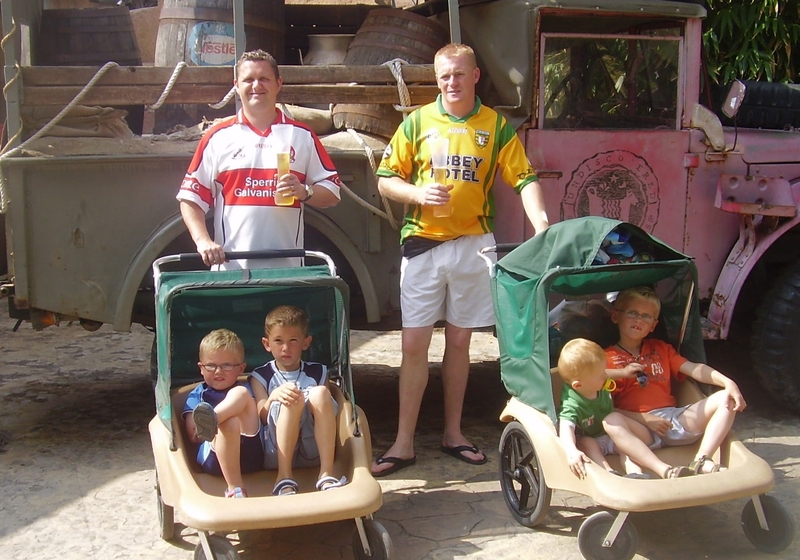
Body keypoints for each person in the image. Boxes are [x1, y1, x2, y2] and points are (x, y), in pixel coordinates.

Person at [371, 43, 550, 476]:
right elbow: (385, 178)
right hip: (424, 246)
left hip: (473, 245)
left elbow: (524, 177)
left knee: (460, 343)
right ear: (437, 79)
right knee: (413, 345)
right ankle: (403, 443)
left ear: (475, 77)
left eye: (459, 74)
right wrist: (416, 193)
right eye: (444, 75)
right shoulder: (416, 122)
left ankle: (454, 433)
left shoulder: (495, 126)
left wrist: (542, 225)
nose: (451, 82)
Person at [176, 49, 341, 270]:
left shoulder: (301, 135)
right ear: (236, 85)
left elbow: (333, 193)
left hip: (288, 272)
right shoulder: (218, 136)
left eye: (264, 79)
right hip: (232, 272)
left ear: (278, 84)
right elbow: (190, 198)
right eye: (248, 80)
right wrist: (203, 241)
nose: (256, 86)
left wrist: (304, 192)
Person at [606, 286, 747, 474]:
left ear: (653, 325)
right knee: (612, 419)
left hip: (673, 420)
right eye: (632, 313)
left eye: (646, 316)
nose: (639, 319)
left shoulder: (661, 349)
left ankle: (701, 460)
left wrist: (728, 383)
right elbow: (603, 407)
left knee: (725, 398)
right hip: (638, 427)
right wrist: (647, 419)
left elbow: (695, 369)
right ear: (616, 316)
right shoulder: (604, 358)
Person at [557, 338, 691, 480]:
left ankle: (636, 474)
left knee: (625, 446)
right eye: (602, 375)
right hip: (594, 439)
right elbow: (566, 428)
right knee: (585, 443)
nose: (606, 375)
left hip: (613, 435)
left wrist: (624, 372)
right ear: (578, 385)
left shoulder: (594, 381)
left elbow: (607, 373)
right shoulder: (571, 403)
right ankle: (608, 473)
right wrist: (571, 452)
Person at [250, 305, 345, 495]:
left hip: (314, 449)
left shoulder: (319, 372)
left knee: (319, 393)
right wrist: (274, 397)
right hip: (277, 453)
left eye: (293, 340)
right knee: (290, 396)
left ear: (306, 342)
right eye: (278, 341)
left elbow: (326, 410)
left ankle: (326, 473)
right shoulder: (261, 376)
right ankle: (284, 477)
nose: (286, 348)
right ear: (267, 344)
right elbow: (260, 416)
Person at [182, 329, 262, 498]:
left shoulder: (247, 388)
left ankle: (214, 417)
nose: (218, 371)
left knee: (240, 394)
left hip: (251, 453)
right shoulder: (198, 395)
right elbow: (194, 436)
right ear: (201, 369)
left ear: (241, 368)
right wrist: (213, 428)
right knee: (229, 423)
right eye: (211, 365)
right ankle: (235, 488)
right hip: (215, 458)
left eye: (227, 365)